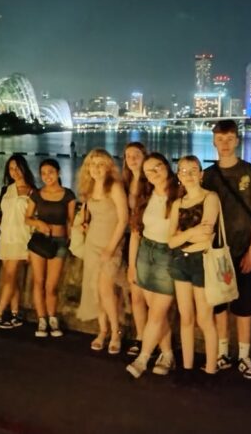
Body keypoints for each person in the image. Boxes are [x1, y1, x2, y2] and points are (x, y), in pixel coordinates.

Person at [201, 119, 251, 380]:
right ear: (214, 142)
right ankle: (222, 352)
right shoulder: (208, 175)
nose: (225, 144)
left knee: (244, 305)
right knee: (218, 304)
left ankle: (244, 355)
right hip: (216, 250)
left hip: (243, 249)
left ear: (237, 140)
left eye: (230, 139)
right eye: (220, 139)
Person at [125, 153, 178, 378]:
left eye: (158, 167)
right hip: (146, 254)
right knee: (157, 313)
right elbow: (136, 233)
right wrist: (131, 265)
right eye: (149, 171)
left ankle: (143, 358)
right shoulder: (145, 196)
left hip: (169, 256)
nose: (154, 173)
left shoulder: (179, 195)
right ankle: (167, 354)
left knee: (157, 312)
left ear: (166, 166)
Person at [169, 155, 222, 377]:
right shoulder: (177, 204)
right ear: (178, 176)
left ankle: (211, 367)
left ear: (201, 174)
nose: (188, 175)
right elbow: (170, 240)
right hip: (181, 262)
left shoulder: (211, 198)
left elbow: (207, 237)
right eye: (183, 170)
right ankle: (188, 366)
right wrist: (191, 233)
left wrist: (183, 238)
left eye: (193, 170)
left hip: (202, 262)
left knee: (204, 318)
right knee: (186, 316)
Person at [77, 149, 128, 354]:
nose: (96, 168)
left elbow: (123, 219)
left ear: (108, 166)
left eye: (100, 164)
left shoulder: (114, 187)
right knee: (96, 290)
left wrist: (111, 248)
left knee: (106, 288)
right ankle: (103, 330)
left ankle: (116, 332)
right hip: (93, 242)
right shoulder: (89, 188)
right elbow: (88, 213)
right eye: (92, 164)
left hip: (111, 243)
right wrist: (84, 225)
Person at [0, 154, 36, 331]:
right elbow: (1, 212)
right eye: (11, 168)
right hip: (5, 238)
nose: (14, 172)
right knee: (11, 278)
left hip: (22, 238)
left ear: (24, 168)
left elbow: (33, 219)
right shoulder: (6, 190)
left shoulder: (32, 192)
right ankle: (16, 313)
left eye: (17, 167)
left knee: (9, 278)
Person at [25, 159, 76, 338]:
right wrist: (38, 222)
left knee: (52, 285)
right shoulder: (37, 194)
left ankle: (52, 317)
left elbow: (70, 221)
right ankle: (42, 319)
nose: (47, 176)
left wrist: (73, 241)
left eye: (51, 172)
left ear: (58, 173)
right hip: (40, 240)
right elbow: (27, 218)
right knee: (38, 281)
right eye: (44, 173)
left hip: (59, 241)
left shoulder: (68, 195)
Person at [122, 142, 149, 356]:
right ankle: (140, 337)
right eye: (128, 155)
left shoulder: (152, 182)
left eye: (136, 155)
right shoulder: (125, 182)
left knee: (153, 298)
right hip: (131, 242)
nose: (132, 159)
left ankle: (153, 340)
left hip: (149, 242)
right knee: (136, 296)